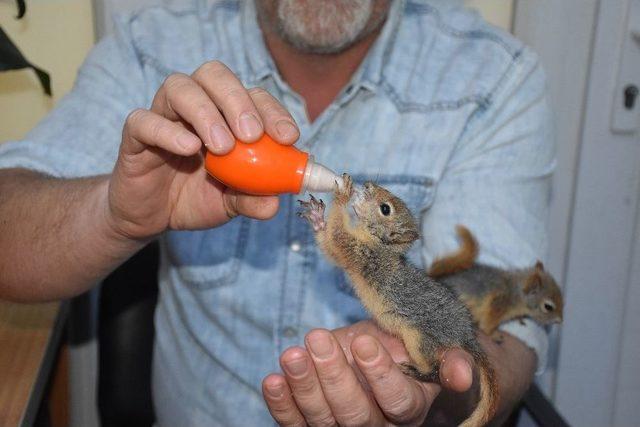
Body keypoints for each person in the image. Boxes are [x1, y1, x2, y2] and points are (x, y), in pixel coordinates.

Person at [0, 0, 553, 425]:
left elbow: (511, 329)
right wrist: (114, 214)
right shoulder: (151, 45)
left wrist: (434, 385)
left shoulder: (496, 79)